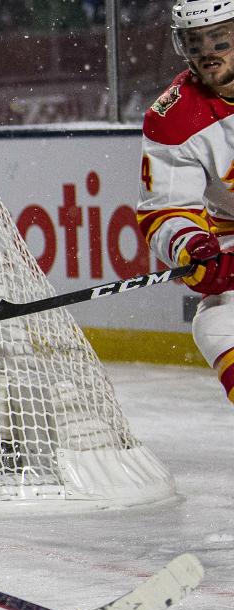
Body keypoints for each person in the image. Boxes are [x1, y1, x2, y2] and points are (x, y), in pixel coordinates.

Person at [138, 0, 234, 404]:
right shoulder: (175, 116)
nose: (208, 51)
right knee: (218, 325)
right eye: (195, 43)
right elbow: (165, 209)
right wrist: (193, 247)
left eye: (220, 38)